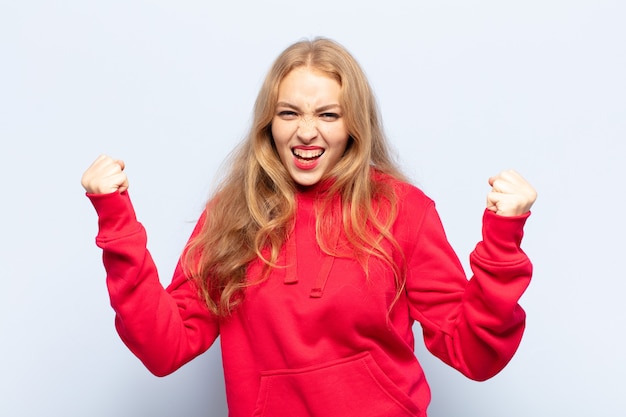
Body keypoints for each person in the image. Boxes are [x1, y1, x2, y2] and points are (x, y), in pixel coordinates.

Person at [81, 38, 536, 417]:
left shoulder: (403, 211)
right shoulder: (231, 216)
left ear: (354, 125)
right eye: (289, 113)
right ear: (269, 124)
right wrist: (116, 221)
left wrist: (503, 238)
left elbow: (473, 352)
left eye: (327, 114)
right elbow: (165, 346)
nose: (306, 132)